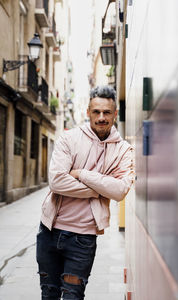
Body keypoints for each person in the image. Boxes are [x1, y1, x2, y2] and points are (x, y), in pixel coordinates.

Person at [36, 85, 134, 300]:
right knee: (49, 293)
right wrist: (98, 190)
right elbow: (57, 182)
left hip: (83, 238)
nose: (101, 117)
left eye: (107, 112)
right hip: (49, 231)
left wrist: (81, 174)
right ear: (87, 112)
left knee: (73, 295)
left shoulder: (123, 150)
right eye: (96, 112)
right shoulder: (68, 139)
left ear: (115, 114)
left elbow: (119, 190)